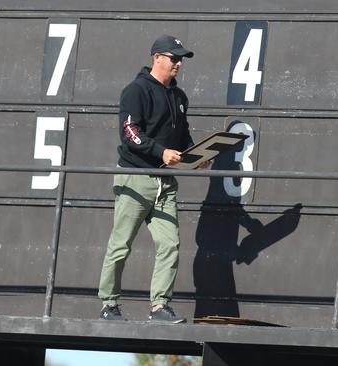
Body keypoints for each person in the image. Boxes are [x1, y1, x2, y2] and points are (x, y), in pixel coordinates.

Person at [98, 35, 208, 323]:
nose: (179, 63)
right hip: (135, 178)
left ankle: (160, 307)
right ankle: (109, 304)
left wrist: (197, 157)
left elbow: (182, 136)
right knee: (121, 244)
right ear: (157, 57)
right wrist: (161, 151)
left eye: (181, 58)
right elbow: (130, 133)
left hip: (165, 182)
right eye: (174, 58)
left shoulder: (179, 96)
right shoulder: (135, 90)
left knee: (170, 244)